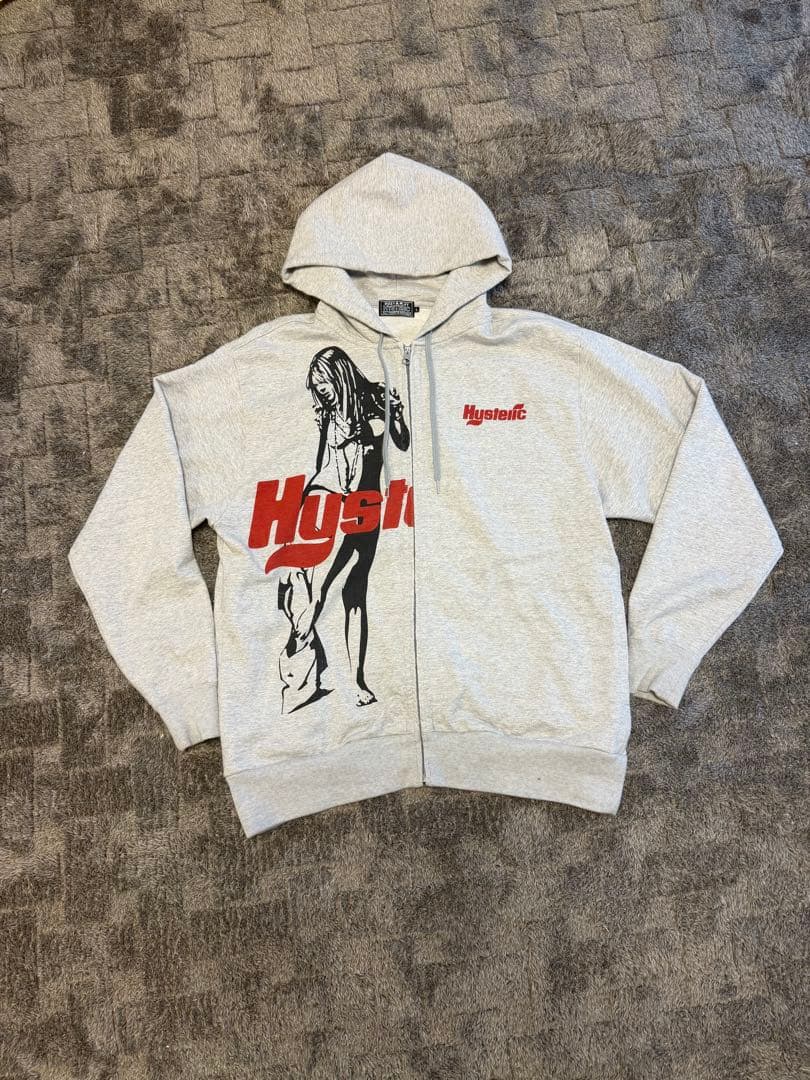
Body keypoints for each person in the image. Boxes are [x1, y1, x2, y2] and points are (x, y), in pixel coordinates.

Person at [277, 345, 410, 713]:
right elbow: (322, 462)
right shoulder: (327, 413)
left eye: (324, 385)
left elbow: (402, 442)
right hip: (329, 500)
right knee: (318, 590)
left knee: (355, 594)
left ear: (339, 377)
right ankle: (300, 656)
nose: (321, 393)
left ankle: (356, 679)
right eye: (317, 388)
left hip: (367, 507)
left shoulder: (376, 398)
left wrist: (397, 414)